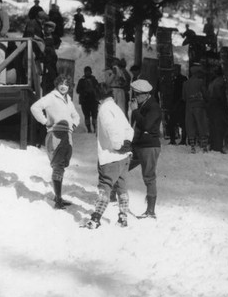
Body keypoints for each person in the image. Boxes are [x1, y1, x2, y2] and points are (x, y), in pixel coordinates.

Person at [84, 82, 135, 229]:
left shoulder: (104, 110)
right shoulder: (116, 108)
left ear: (98, 96)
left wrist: (118, 146)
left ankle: (95, 219)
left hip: (111, 156)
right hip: (124, 156)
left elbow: (112, 129)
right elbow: (128, 129)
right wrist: (126, 143)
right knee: (122, 188)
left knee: (105, 187)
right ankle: (123, 217)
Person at [30, 76, 80, 210]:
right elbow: (35, 107)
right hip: (55, 135)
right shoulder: (51, 97)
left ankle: (58, 196)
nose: (64, 87)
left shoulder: (68, 100)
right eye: (61, 84)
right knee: (57, 165)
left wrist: (73, 125)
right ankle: (58, 200)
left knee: (62, 165)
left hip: (67, 135)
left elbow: (76, 116)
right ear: (57, 84)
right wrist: (45, 121)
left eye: (66, 85)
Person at [128, 79, 162, 218]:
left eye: (137, 95)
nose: (135, 97)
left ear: (145, 94)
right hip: (138, 145)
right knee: (122, 167)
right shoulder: (143, 104)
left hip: (149, 147)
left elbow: (146, 125)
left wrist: (135, 111)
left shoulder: (153, 106)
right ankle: (113, 196)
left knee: (149, 177)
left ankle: (150, 211)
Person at [183, 65, 209, 153]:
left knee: (190, 126)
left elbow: (184, 97)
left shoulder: (185, 83)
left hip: (189, 106)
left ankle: (193, 147)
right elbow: (205, 94)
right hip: (199, 106)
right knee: (202, 125)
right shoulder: (200, 82)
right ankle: (204, 147)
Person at [207, 70, 228, 153]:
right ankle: (218, 147)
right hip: (218, 106)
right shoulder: (221, 82)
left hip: (211, 105)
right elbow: (221, 95)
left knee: (213, 126)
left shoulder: (212, 82)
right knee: (219, 127)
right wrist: (225, 105)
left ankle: (212, 146)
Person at [167, 66, 188, 145]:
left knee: (182, 123)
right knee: (171, 123)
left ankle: (183, 140)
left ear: (179, 70)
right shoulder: (173, 79)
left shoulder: (183, 79)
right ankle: (173, 140)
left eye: (176, 70)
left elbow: (183, 93)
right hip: (174, 104)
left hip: (181, 103)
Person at [76, 66, 99, 133]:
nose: (87, 73)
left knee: (94, 114)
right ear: (84, 72)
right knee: (86, 115)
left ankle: (95, 128)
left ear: (91, 72)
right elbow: (78, 90)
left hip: (93, 100)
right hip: (85, 100)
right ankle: (89, 129)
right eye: (86, 71)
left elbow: (98, 89)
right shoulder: (81, 81)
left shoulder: (94, 80)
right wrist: (84, 91)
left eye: (89, 71)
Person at [41, 21, 59, 95]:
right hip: (43, 61)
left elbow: (57, 45)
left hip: (51, 61)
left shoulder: (55, 37)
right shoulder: (41, 36)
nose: (48, 29)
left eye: (50, 27)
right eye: (46, 26)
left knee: (52, 78)